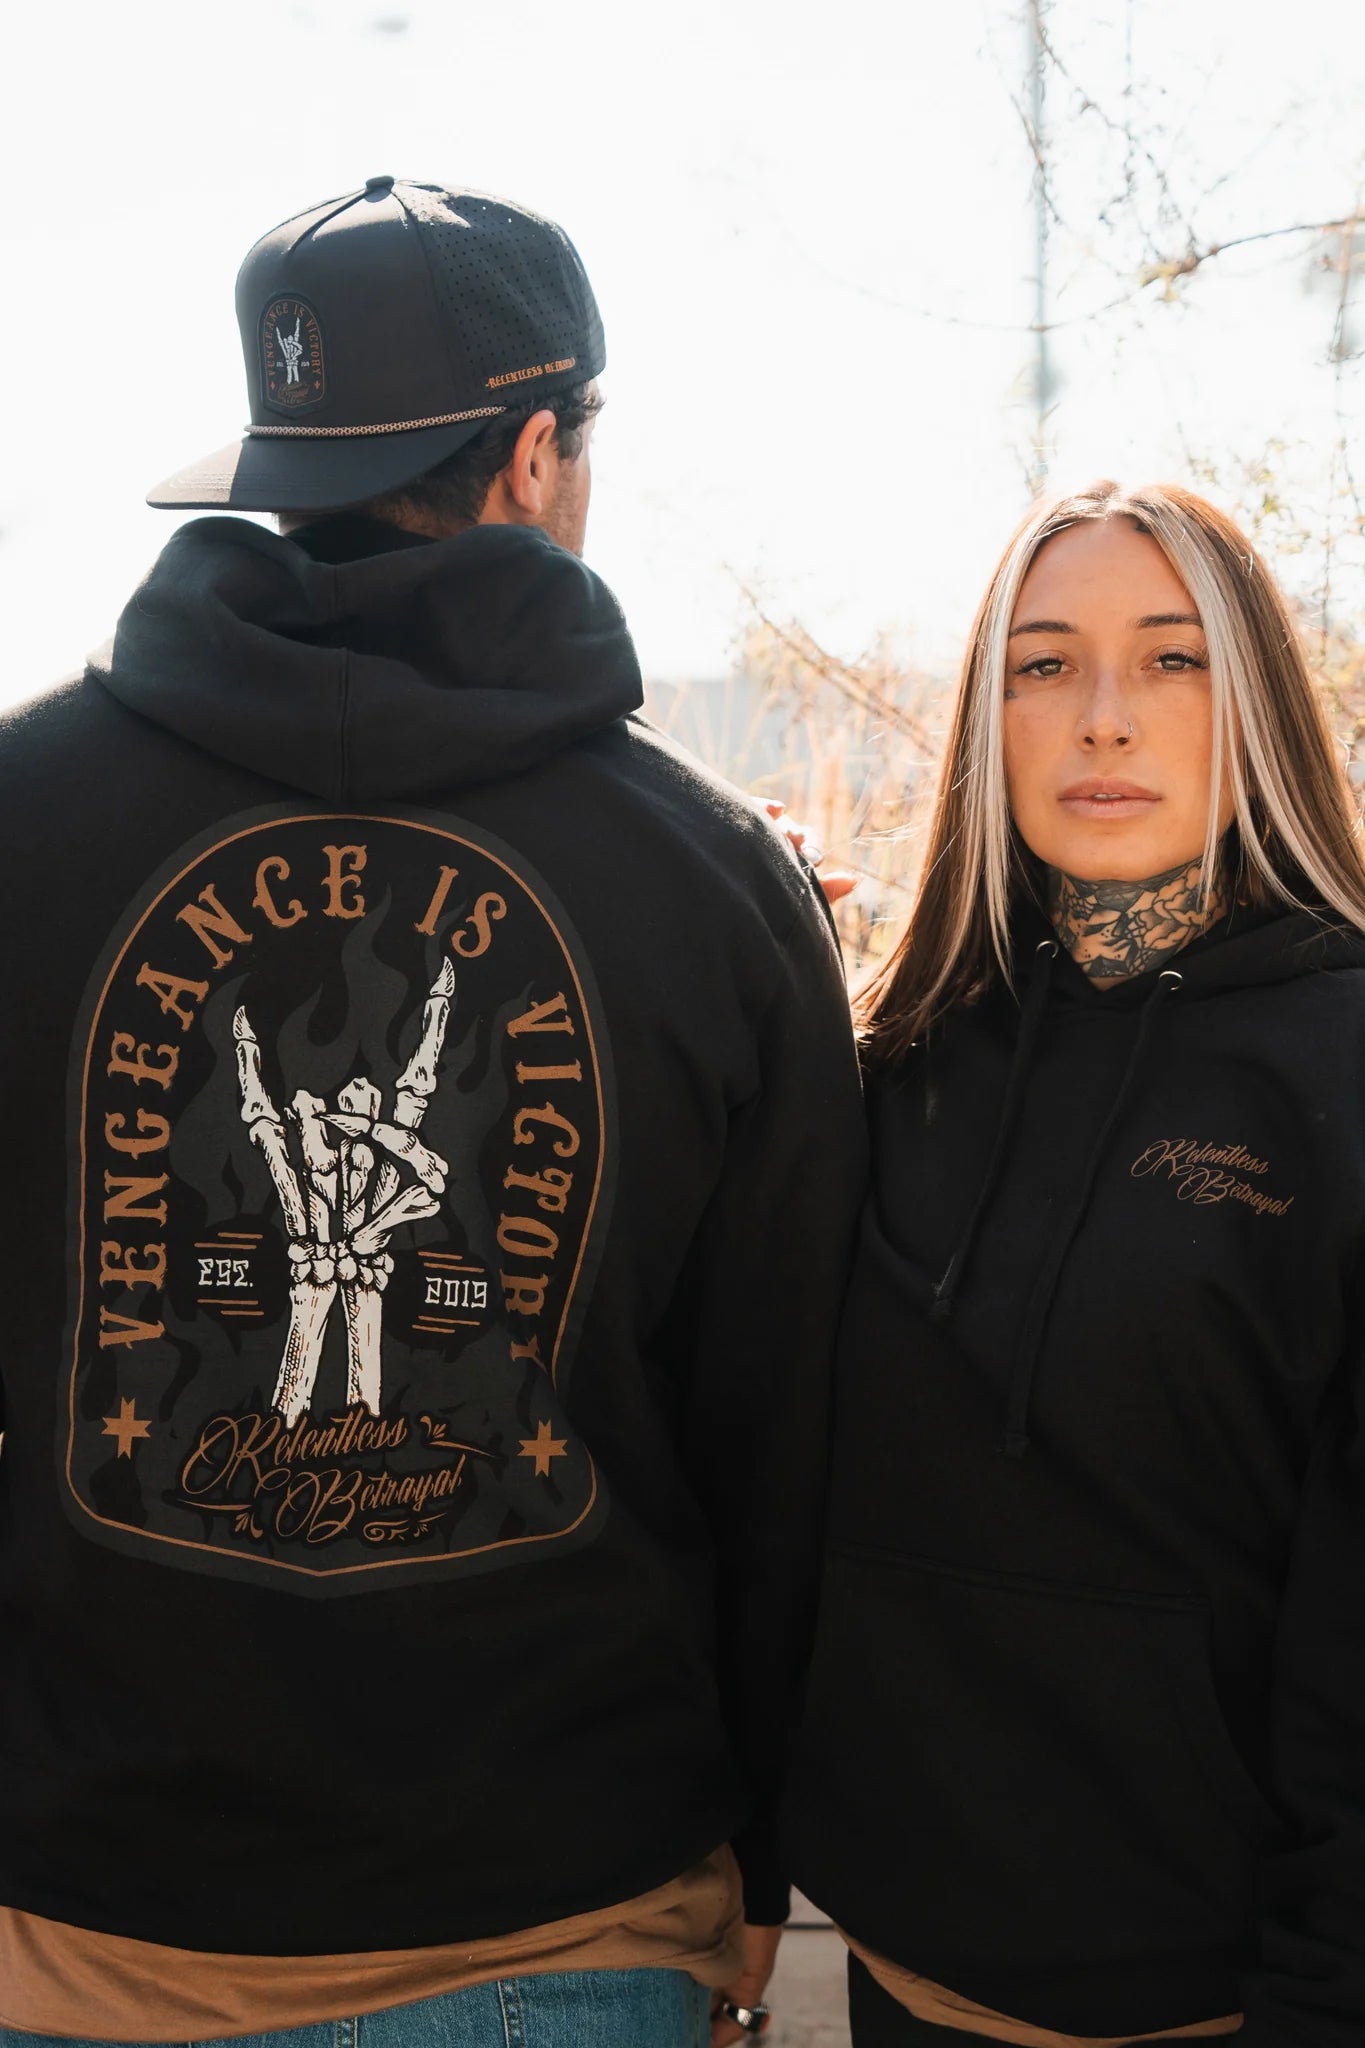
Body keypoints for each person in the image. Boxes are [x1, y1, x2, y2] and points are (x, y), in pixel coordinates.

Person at [0, 178, 865, 2048]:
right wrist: (750, 1882)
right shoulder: (712, 885)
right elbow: (783, 1448)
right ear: (538, 450)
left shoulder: (16, 823)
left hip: (84, 1939)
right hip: (565, 1927)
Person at [786, 479, 1365, 2047]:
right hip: (897, 1978)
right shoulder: (887, 1064)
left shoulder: (1338, 1071)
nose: (1102, 717)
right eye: (1044, 665)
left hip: (1218, 2007)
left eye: (1169, 660)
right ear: (989, 715)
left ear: (1250, 701)